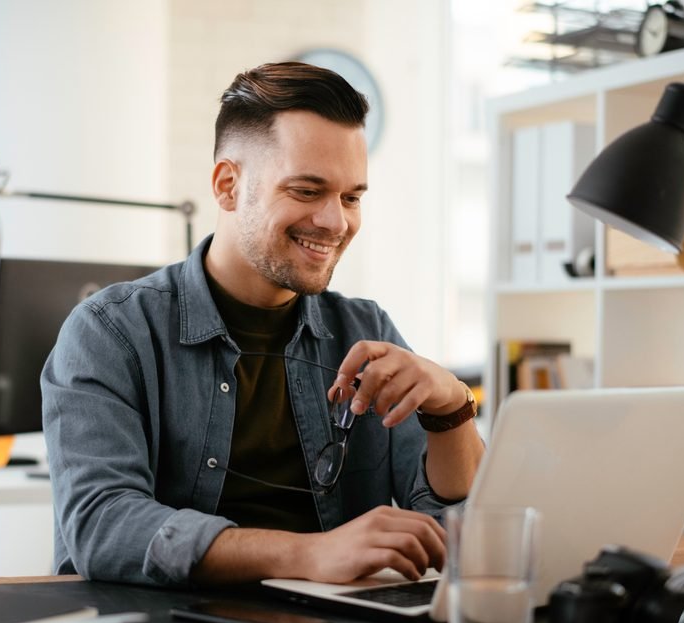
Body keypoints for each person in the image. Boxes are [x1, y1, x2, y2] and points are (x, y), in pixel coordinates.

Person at [41, 62, 486, 588]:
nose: (336, 222)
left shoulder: (367, 329)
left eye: (351, 197)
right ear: (228, 185)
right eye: (306, 190)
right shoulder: (110, 332)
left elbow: (457, 533)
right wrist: (307, 555)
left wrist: (452, 409)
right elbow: (101, 525)